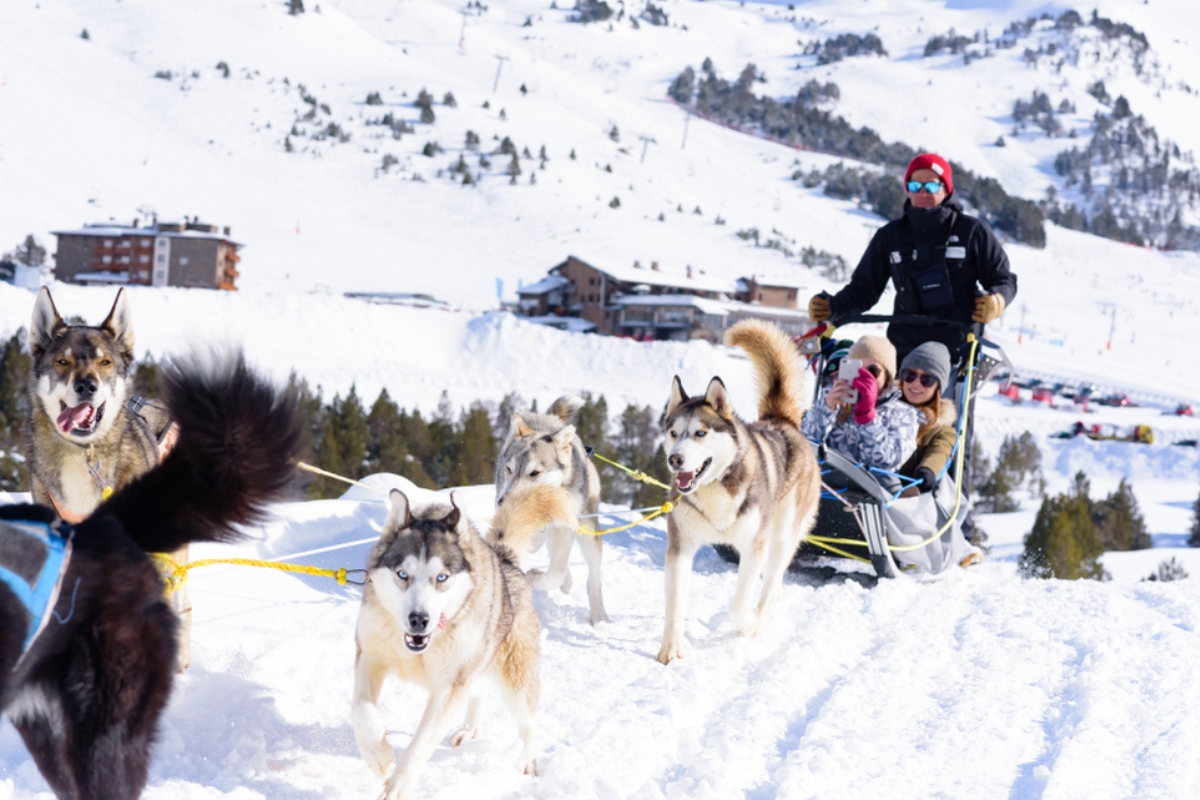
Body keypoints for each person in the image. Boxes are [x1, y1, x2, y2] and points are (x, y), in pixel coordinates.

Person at [806, 153, 1017, 361]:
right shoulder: (891, 236)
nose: (923, 192)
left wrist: (997, 300)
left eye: (932, 186)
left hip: (956, 350)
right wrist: (833, 307)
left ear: (947, 188)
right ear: (907, 189)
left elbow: (1003, 279)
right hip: (901, 347)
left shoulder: (972, 232)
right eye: (916, 186)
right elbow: (864, 289)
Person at [802, 335, 920, 488]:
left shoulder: (905, 414)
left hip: (875, 491)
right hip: (828, 484)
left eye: (873, 371)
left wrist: (868, 416)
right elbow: (805, 444)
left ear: (887, 376)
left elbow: (888, 461)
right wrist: (826, 408)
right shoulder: (834, 397)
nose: (865, 377)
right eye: (858, 369)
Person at [896, 341, 958, 495]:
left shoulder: (942, 430)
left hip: (903, 494)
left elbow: (940, 451)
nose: (916, 383)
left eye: (927, 379)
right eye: (909, 375)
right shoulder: (882, 408)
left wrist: (928, 470)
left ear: (938, 386)